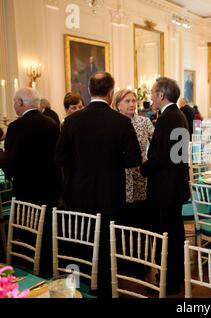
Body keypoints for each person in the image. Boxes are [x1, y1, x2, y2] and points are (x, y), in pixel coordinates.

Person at [55, 72, 141, 297]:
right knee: (106, 241)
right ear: (111, 93)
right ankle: (105, 288)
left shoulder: (72, 120)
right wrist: (111, 162)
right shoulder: (122, 121)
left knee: (82, 237)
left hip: (79, 190)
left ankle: (82, 287)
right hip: (111, 191)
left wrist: (82, 164)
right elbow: (133, 159)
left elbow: (60, 157)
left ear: (88, 91)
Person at [140, 77, 190, 294]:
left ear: (161, 95)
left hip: (166, 188)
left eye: (152, 93)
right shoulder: (177, 115)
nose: (151, 97)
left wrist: (144, 167)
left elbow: (162, 156)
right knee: (175, 233)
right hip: (174, 186)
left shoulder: (168, 118)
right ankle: (174, 277)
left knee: (168, 236)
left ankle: (169, 281)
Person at [3, 87, 61, 277]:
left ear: (20, 102)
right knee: (48, 233)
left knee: (28, 234)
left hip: (26, 190)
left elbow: (10, 165)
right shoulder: (52, 124)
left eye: (14, 102)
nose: (14, 105)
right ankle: (48, 269)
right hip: (50, 188)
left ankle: (30, 273)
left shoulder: (15, 127)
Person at [112, 89, 154, 227]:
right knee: (123, 218)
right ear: (118, 104)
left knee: (141, 216)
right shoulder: (114, 122)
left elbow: (156, 145)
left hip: (141, 175)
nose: (132, 104)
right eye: (127, 101)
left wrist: (148, 162)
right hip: (120, 175)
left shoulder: (144, 122)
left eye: (134, 101)